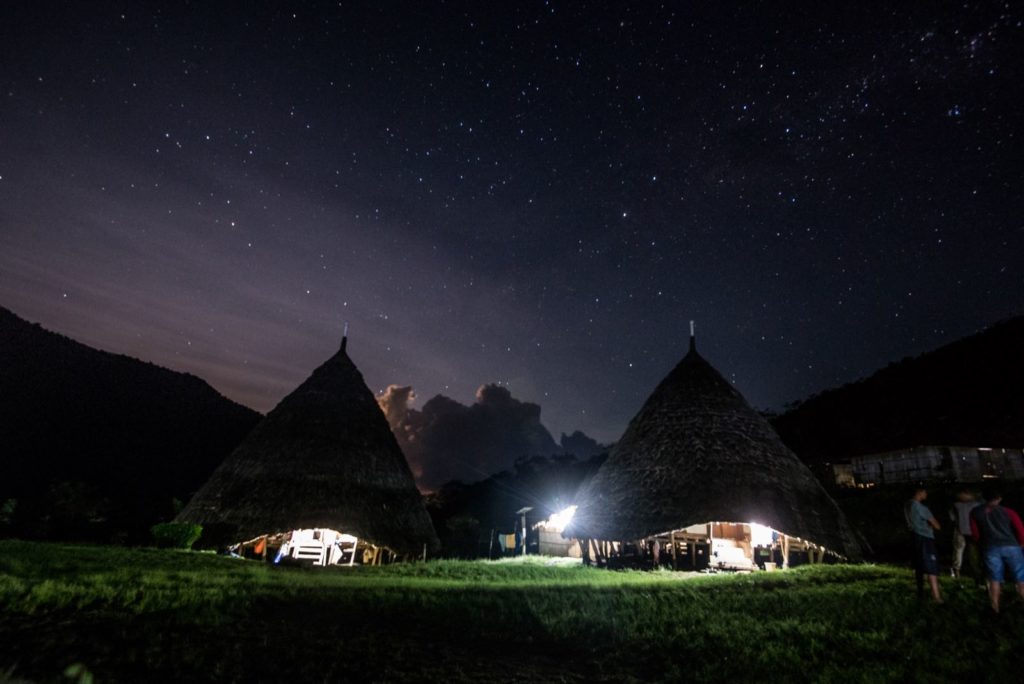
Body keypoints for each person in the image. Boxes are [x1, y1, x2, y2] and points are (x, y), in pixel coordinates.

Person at [969, 487, 1024, 613]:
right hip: (1011, 546)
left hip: (990, 547)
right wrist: (1021, 543)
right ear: (999, 498)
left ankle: (995, 607)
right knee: (1021, 577)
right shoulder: (1008, 512)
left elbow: (975, 533)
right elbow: (1020, 529)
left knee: (994, 578)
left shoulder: (975, 512)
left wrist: (981, 543)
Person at [904, 487, 943, 602]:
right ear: (919, 492)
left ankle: (920, 592)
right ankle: (936, 596)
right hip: (925, 538)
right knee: (931, 567)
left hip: (914, 537)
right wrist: (932, 526)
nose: (926, 494)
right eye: (925, 492)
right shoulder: (921, 508)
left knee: (919, 566)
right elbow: (937, 525)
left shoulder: (907, 505)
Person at [948, 488, 982, 580]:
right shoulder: (977, 505)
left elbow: (952, 517)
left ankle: (958, 571)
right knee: (968, 552)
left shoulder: (957, 505)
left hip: (963, 530)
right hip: (970, 531)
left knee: (960, 551)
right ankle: (974, 572)